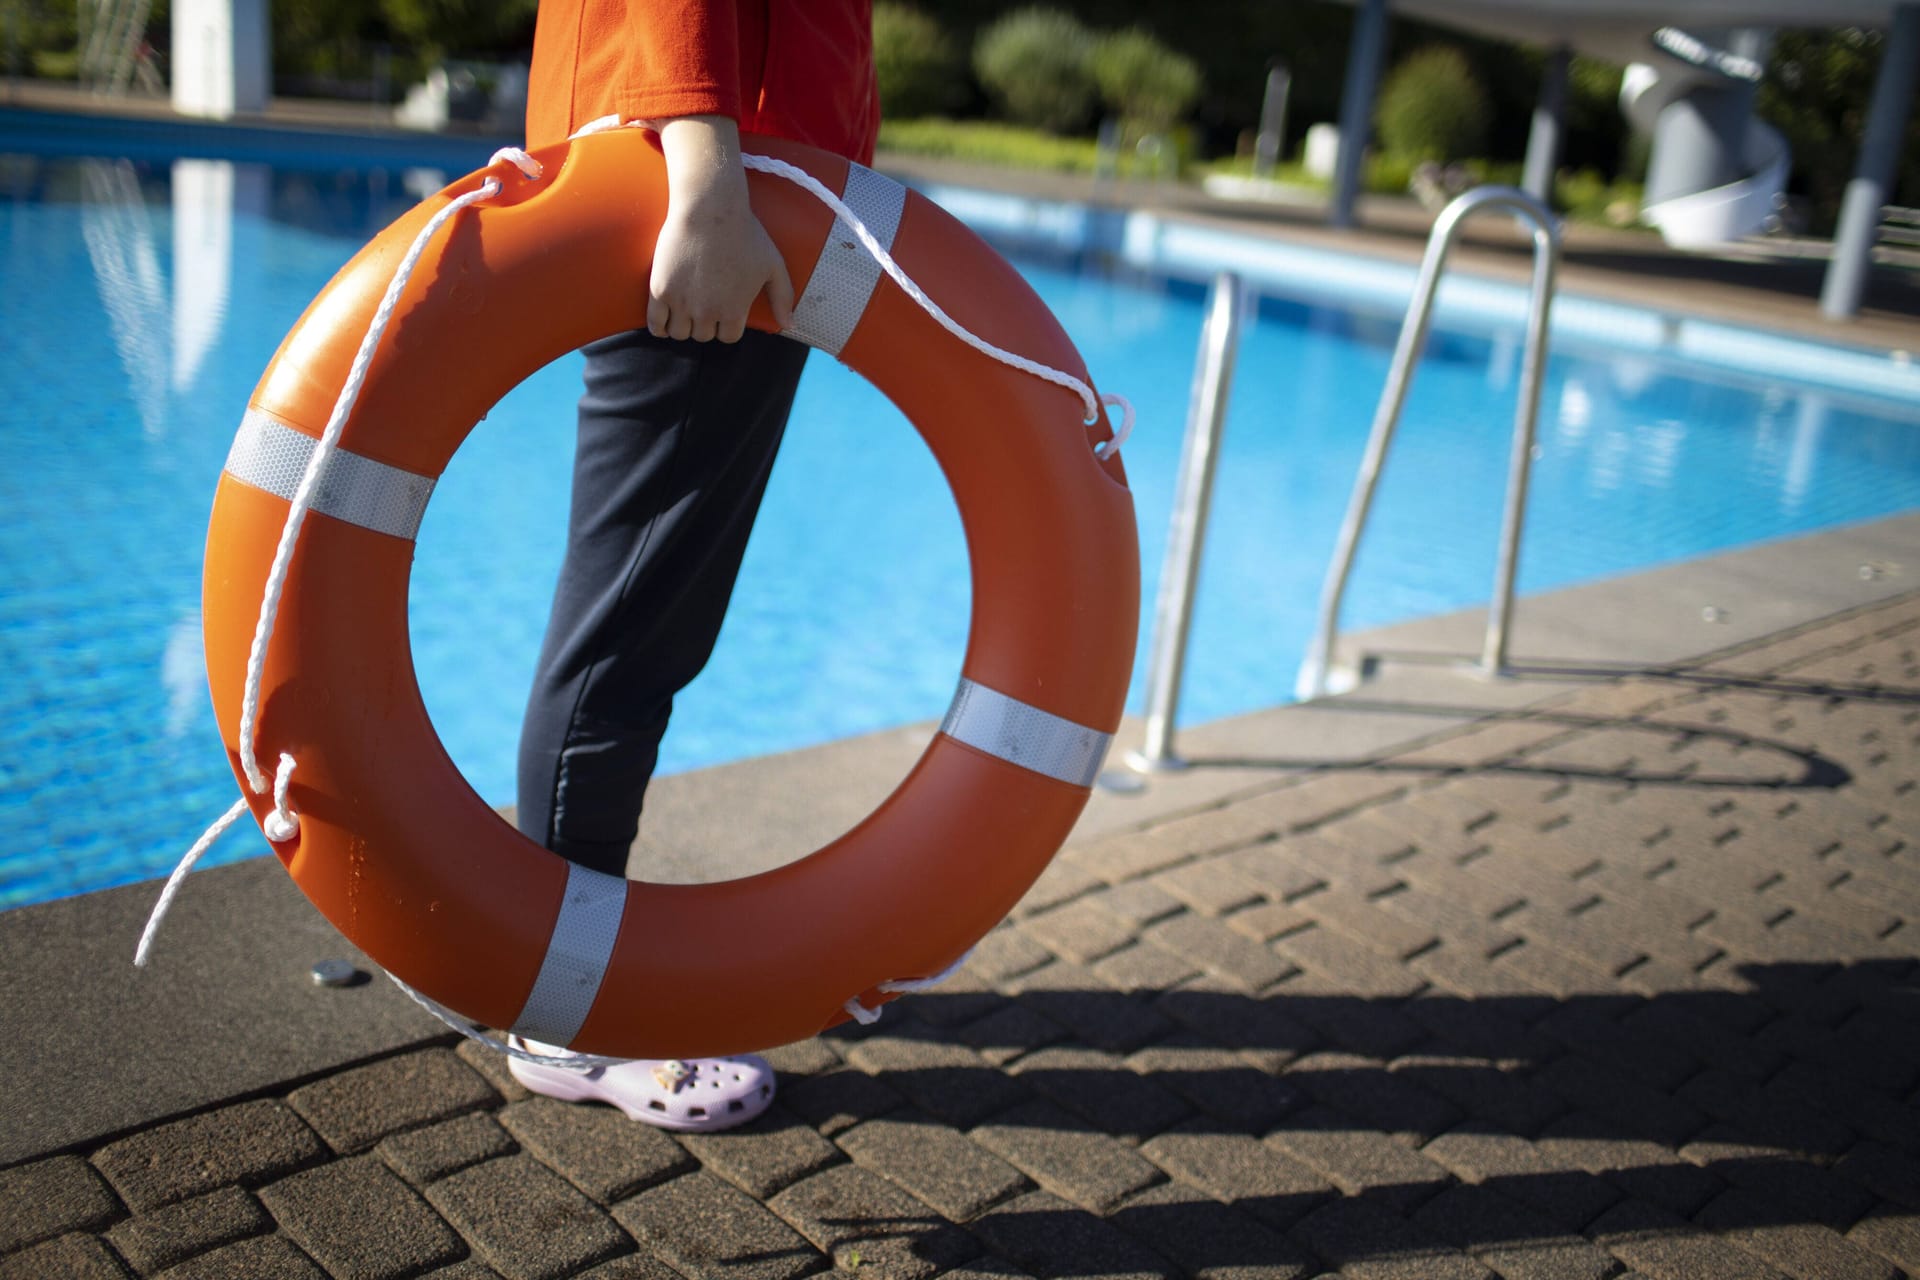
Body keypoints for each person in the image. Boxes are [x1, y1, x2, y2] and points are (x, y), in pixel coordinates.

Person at [506, 1, 879, 1131]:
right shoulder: (708, 175)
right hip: (710, 171)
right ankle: (570, 1018)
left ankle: (561, 975)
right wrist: (704, 164)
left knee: (652, 617)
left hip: (747, 161)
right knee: (630, 629)